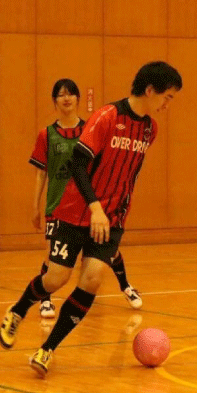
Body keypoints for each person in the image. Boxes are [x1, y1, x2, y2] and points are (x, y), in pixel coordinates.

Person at [0, 61, 183, 377]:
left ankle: (47, 350)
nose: (167, 104)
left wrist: (110, 213)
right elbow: (78, 166)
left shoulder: (150, 129)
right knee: (56, 279)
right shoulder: (107, 117)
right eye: (167, 96)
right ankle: (18, 310)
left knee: (93, 279)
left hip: (112, 219)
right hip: (76, 211)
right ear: (150, 90)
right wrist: (95, 207)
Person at [30, 79, 143, 319]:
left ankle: (125, 285)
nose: (66, 98)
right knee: (53, 254)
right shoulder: (47, 134)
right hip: (57, 203)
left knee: (107, 250)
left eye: (71, 94)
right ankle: (45, 300)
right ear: (54, 101)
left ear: (78, 99)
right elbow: (41, 173)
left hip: (89, 202)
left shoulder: (90, 128)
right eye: (61, 95)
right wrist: (35, 206)